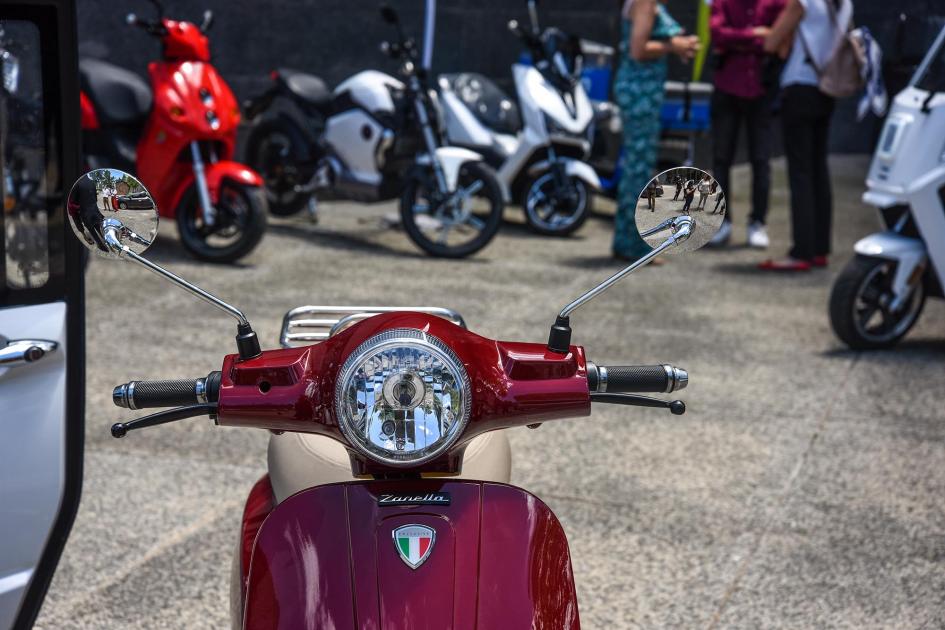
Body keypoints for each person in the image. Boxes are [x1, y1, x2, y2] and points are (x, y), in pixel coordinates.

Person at [760, 0, 851, 271]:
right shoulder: (842, 3)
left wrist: (763, 34)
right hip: (825, 87)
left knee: (800, 172)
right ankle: (819, 249)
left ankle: (801, 252)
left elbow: (771, 43)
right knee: (818, 170)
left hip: (799, 85)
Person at [612, 0, 699, 261]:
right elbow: (638, 49)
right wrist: (674, 46)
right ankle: (631, 245)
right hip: (641, 93)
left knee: (638, 167)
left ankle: (628, 241)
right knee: (638, 169)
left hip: (642, 91)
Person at [707, 0, 785, 249]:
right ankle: (722, 222)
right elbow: (718, 34)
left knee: (761, 160)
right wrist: (754, 35)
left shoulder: (775, 3)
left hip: (761, 89)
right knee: (721, 159)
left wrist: (738, 40)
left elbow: (781, 37)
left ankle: (758, 222)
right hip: (727, 86)